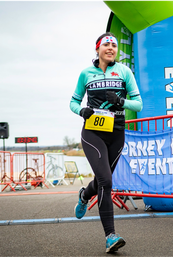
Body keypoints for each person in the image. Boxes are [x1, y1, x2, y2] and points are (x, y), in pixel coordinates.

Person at [70, 32, 142, 253]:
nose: (111, 48)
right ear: (97, 49)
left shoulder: (124, 71)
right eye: (106, 45)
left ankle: (84, 195)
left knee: (104, 180)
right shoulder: (86, 73)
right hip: (93, 133)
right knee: (106, 180)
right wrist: (81, 109)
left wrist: (121, 101)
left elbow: (138, 105)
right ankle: (110, 236)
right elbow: (73, 102)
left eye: (114, 45)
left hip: (117, 133)